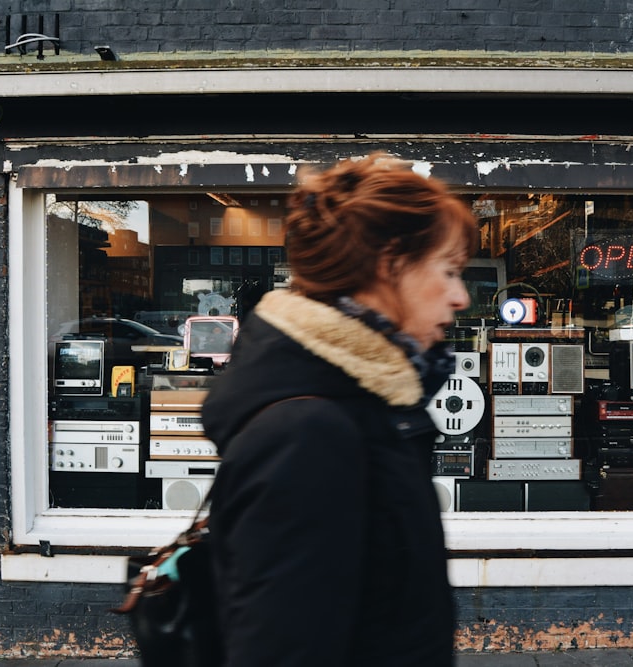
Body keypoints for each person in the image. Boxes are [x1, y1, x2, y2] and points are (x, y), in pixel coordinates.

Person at [200, 153, 478, 667]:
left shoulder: (361, 400)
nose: (461, 296)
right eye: (449, 269)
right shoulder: (308, 433)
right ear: (389, 262)